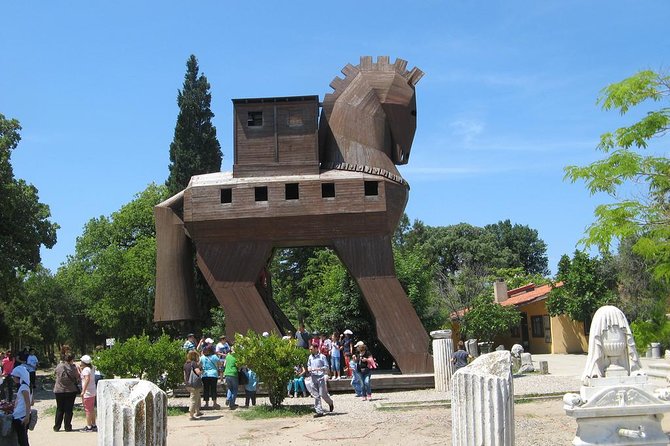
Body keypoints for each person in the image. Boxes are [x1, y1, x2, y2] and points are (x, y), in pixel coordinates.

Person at [53, 352, 79, 432]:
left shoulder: (59, 366)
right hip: (70, 390)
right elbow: (77, 378)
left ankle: (57, 427)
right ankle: (67, 426)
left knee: (59, 408)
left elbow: (55, 373)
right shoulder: (73, 368)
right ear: (72, 360)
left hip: (59, 390)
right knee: (68, 409)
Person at [306, 343, 334, 418]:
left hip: (321, 377)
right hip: (313, 376)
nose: (310, 350)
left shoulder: (322, 357)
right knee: (316, 395)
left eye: (311, 349)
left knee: (322, 394)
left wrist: (320, 369)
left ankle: (330, 402)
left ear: (316, 349)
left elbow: (327, 366)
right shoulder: (310, 357)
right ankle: (319, 411)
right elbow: (308, 364)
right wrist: (309, 368)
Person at [11, 366, 32, 446]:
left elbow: (28, 403)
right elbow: (32, 402)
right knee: (23, 438)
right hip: (22, 414)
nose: (13, 378)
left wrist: (26, 416)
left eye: (14, 376)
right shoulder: (28, 386)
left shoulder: (23, 387)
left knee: (22, 440)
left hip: (20, 416)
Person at [183, 350, 203, 419]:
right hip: (194, 384)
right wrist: (202, 370)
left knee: (198, 397)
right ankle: (191, 414)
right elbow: (198, 372)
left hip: (188, 383)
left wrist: (186, 383)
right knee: (193, 399)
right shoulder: (194, 364)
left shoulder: (185, 364)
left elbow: (185, 375)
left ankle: (198, 411)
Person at [80, 355, 97, 432]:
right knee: (91, 409)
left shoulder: (86, 370)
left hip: (87, 392)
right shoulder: (91, 368)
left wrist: (83, 390)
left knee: (87, 410)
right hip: (92, 391)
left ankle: (89, 426)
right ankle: (93, 424)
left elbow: (87, 379)